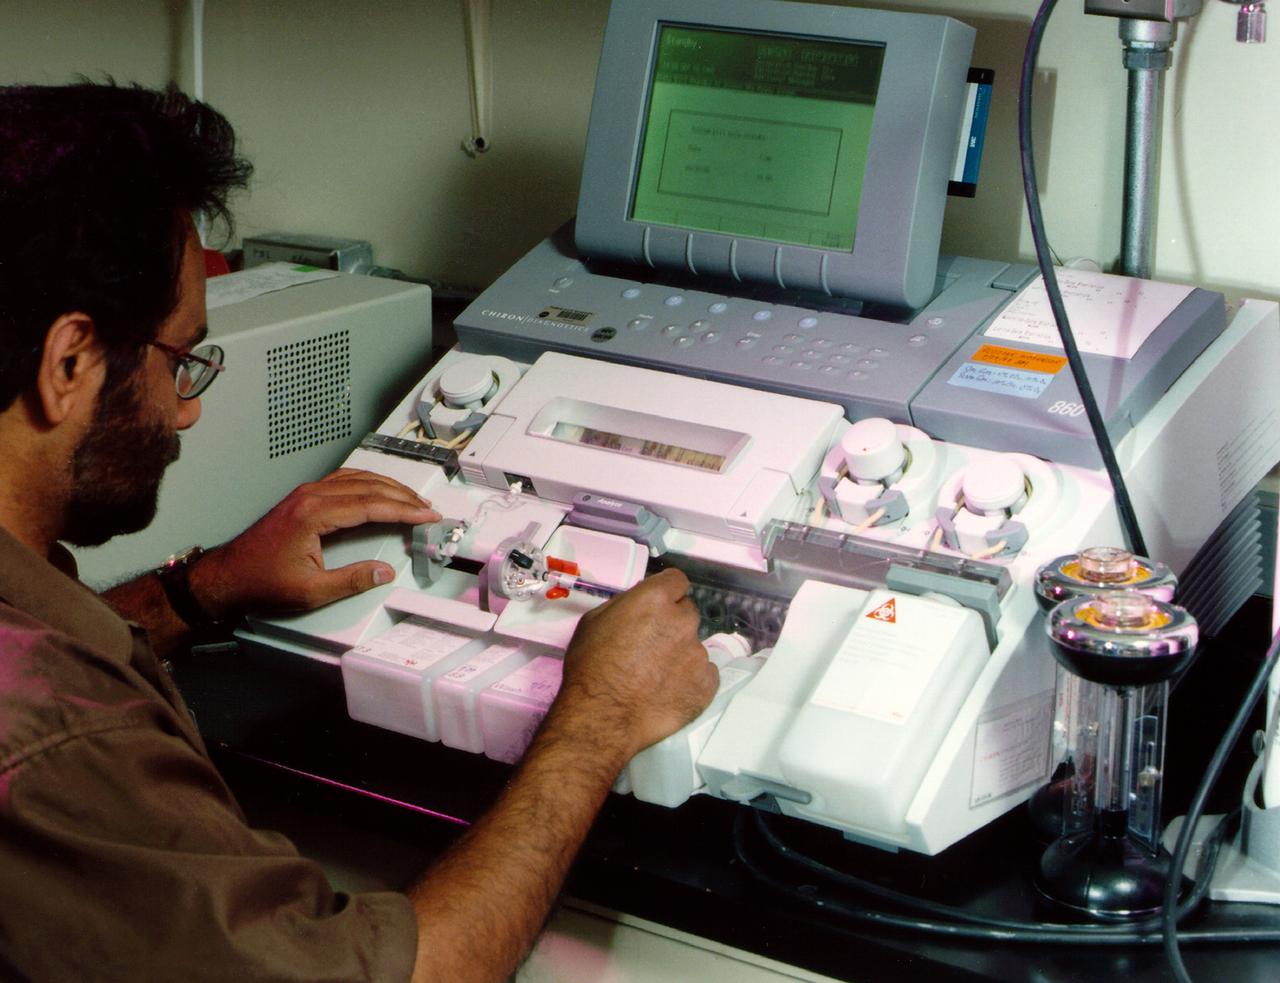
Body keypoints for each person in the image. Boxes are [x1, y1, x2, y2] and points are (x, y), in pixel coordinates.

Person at [0, 81, 719, 982]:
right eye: (183, 361)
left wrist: (200, 587)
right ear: (69, 362)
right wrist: (599, 719)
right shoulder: (66, 744)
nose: (185, 416)